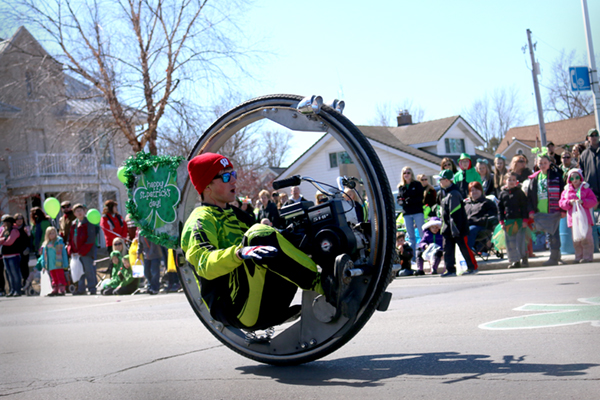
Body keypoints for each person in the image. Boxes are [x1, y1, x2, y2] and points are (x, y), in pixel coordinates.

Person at [180, 153, 351, 330]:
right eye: (225, 176)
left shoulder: (235, 213)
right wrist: (238, 254)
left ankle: (340, 266)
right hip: (234, 307)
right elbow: (204, 263)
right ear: (207, 185)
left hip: (261, 297)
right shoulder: (199, 220)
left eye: (234, 175)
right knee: (257, 234)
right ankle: (326, 286)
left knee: (293, 231)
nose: (233, 181)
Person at [436, 169, 478, 277]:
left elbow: (454, 213)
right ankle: (450, 269)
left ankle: (472, 267)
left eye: (442, 179)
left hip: (458, 227)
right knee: (447, 249)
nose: (440, 182)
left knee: (464, 247)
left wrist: (455, 228)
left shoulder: (454, 193)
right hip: (447, 228)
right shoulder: (443, 193)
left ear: (448, 180)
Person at [526, 151, 565, 266]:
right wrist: (531, 210)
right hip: (541, 211)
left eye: (545, 162)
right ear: (537, 164)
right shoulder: (534, 178)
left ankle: (554, 257)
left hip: (554, 210)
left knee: (554, 234)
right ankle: (556, 255)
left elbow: (562, 193)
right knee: (549, 234)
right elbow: (530, 196)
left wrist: (563, 209)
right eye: (540, 163)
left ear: (549, 163)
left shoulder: (556, 177)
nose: (543, 165)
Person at [559, 169, 598, 263]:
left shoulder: (586, 189)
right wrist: (569, 202)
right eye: (572, 177)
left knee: (586, 237)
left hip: (586, 219)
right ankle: (578, 257)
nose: (575, 179)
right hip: (574, 220)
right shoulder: (567, 191)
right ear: (569, 179)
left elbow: (593, 201)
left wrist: (583, 202)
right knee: (576, 239)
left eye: (577, 177)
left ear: (580, 178)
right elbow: (561, 203)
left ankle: (587, 257)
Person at [498, 172, 530, 268]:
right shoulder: (502, 194)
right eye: (509, 180)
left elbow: (524, 207)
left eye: (513, 180)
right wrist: (502, 221)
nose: (511, 182)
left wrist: (525, 220)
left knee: (520, 241)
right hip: (508, 221)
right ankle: (514, 260)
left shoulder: (520, 193)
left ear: (516, 182)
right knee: (510, 243)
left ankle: (524, 257)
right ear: (505, 181)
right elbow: (500, 209)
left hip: (519, 220)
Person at [67, 204, 97, 295]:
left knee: (89, 270)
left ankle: (92, 288)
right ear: (74, 213)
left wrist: (82, 251)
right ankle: (81, 289)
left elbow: (91, 239)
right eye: (77, 211)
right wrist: (70, 250)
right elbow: (70, 238)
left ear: (84, 211)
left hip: (86, 252)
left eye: (81, 210)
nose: (79, 213)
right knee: (79, 271)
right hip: (76, 254)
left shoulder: (89, 222)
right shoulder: (73, 224)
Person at [396, 166, 424, 257]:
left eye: (408, 173)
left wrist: (409, 200)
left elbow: (420, 197)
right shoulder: (401, 187)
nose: (406, 175)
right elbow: (399, 199)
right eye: (404, 173)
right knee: (410, 236)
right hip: (407, 212)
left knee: (422, 233)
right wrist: (403, 202)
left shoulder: (417, 184)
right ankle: (413, 257)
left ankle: (424, 254)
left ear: (411, 174)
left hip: (417, 211)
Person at [464, 181, 498, 252]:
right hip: (467, 225)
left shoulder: (487, 203)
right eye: (472, 190)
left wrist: (472, 220)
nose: (474, 192)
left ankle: (467, 252)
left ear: (481, 191)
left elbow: (490, 217)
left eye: (476, 190)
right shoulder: (466, 204)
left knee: (470, 230)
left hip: (482, 227)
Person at [40, 227, 68, 296]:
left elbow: (63, 253)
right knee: (53, 276)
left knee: (60, 276)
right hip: (50, 264)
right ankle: (55, 288)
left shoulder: (59, 242)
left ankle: (61, 288)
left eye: (53, 233)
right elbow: (44, 255)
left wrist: (65, 263)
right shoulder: (46, 244)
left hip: (58, 263)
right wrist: (43, 264)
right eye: (50, 234)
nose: (52, 235)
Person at [0, 215, 23, 296]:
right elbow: (1, 239)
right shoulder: (4, 230)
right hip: (5, 255)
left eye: (4, 221)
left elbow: (10, 242)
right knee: (9, 274)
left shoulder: (14, 230)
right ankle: (12, 289)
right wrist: (3, 239)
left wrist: (2, 241)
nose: (3, 223)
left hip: (13, 255)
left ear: (9, 222)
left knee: (15, 273)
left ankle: (17, 290)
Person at [578, 129, 600, 202]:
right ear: (588, 138)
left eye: (596, 135)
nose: (594, 137)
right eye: (592, 135)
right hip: (591, 193)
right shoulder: (584, 154)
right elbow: (582, 172)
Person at [13, 213, 31, 288]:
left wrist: (29, 248)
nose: (19, 220)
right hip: (15, 252)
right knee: (17, 269)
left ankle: (26, 284)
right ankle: (18, 285)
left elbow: (30, 238)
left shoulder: (26, 228)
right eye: (17, 219)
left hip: (24, 251)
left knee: (24, 268)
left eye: (21, 219)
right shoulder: (13, 229)